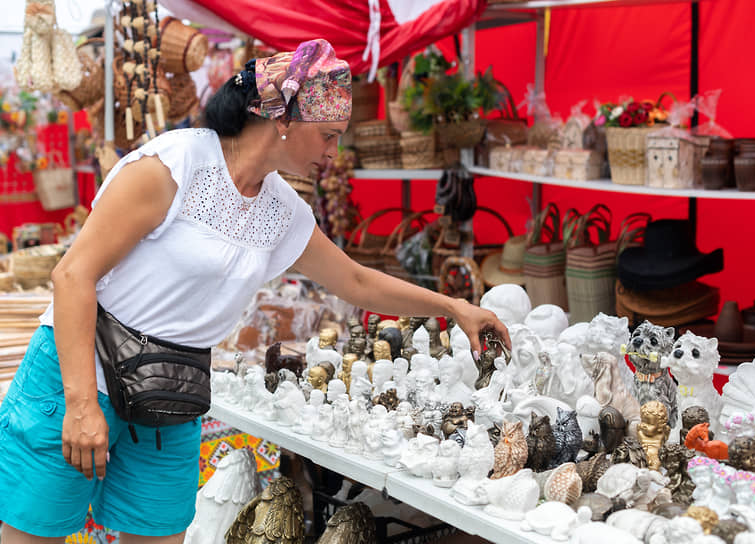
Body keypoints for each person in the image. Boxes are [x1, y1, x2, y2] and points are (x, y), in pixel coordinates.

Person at [0, 39, 509, 544]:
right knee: (34, 535)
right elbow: (72, 276)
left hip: (168, 393)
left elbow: (354, 280)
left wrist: (451, 307)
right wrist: (83, 404)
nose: (334, 154)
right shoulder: (173, 167)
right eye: (329, 136)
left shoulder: (282, 209)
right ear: (282, 120)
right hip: (78, 377)